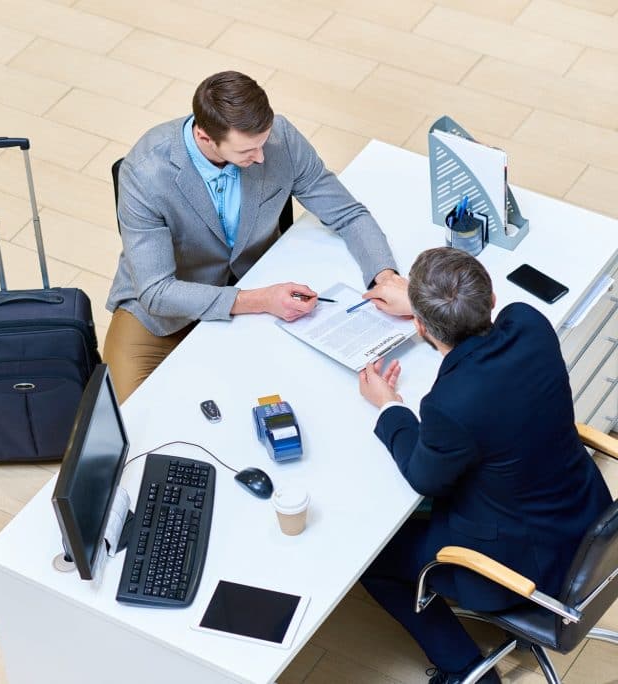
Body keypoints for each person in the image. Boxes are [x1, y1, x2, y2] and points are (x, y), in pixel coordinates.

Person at [357, 247, 612, 684]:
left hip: (525, 568)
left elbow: (424, 476)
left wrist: (389, 407)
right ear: (491, 298)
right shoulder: (530, 324)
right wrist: (423, 304)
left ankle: (467, 671)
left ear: (420, 325)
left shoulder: (449, 405)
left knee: (375, 559)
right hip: (587, 517)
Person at [103, 70, 402, 403]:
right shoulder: (145, 173)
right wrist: (258, 300)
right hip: (162, 313)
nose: (261, 157)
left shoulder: (279, 140)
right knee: (126, 417)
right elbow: (156, 291)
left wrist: (384, 276)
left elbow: (347, 213)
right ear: (204, 137)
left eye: (263, 143)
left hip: (258, 280)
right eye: (248, 151)